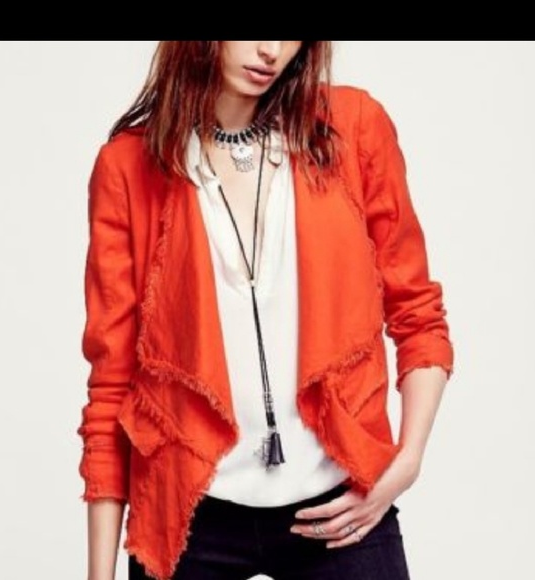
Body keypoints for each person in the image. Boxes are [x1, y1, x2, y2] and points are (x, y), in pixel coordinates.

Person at [76, 41, 455, 580]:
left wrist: (406, 461)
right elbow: (112, 382)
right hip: (189, 512)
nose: (270, 50)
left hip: (339, 502)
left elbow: (416, 312)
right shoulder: (128, 166)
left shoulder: (353, 128)